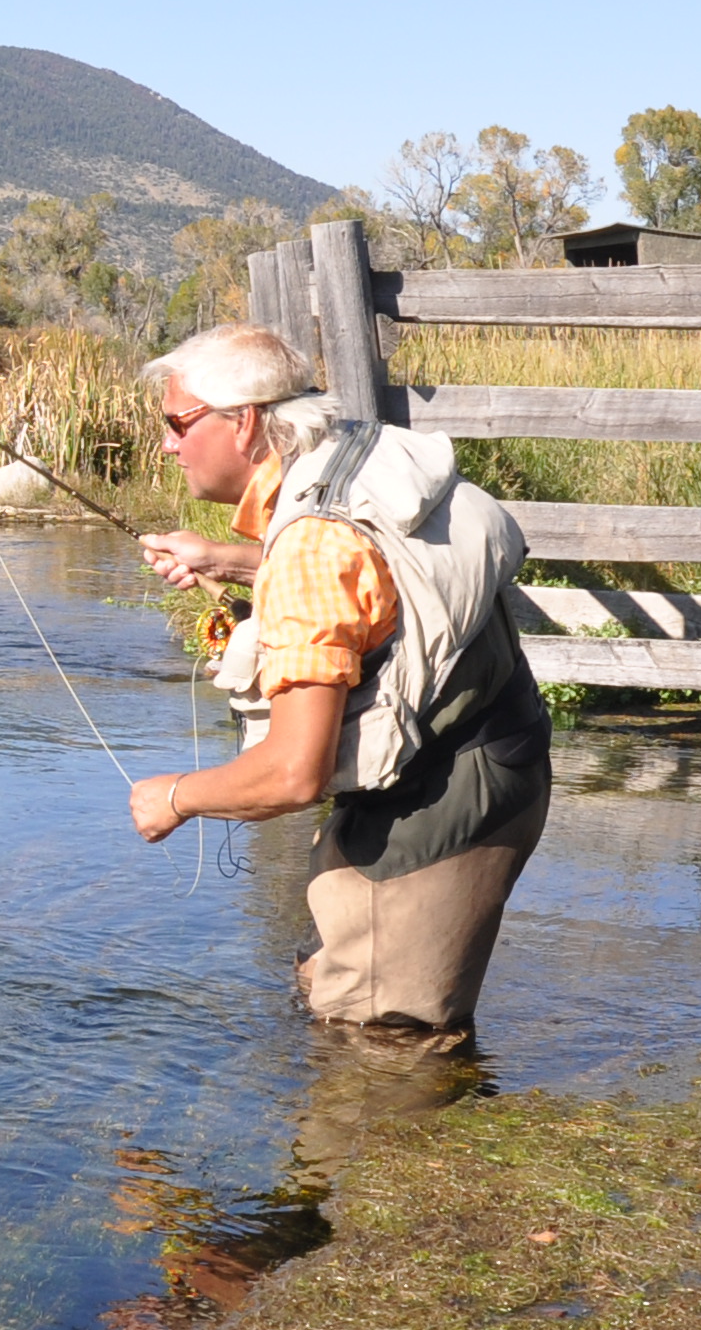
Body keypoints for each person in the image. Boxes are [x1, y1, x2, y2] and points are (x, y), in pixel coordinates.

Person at [125, 322, 547, 1038]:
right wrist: (226, 560)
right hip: (497, 753)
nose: (167, 444)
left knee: (385, 1050)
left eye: (177, 423)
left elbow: (294, 775)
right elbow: (373, 577)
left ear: (243, 422)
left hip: (438, 800)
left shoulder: (312, 549)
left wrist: (173, 798)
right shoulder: (355, 453)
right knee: (332, 982)